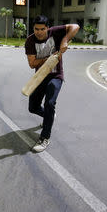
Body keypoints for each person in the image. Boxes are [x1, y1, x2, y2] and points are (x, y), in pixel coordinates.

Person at [25, 15, 79, 152]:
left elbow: (75, 26)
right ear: (33, 28)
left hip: (56, 75)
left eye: (42, 29)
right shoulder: (30, 41)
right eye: (36, 29)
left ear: (47, 28)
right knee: (32, 107)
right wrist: (49, 58)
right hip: (40, 76)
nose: (39, 32)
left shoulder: (55, 32)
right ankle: (49, 116)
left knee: (49, 103)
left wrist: (65, 40)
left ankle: (44, 138)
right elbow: (32, 64)